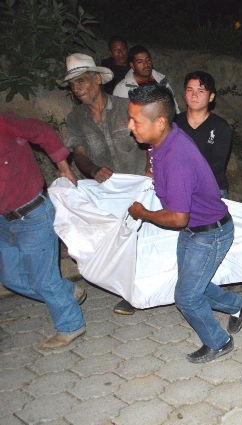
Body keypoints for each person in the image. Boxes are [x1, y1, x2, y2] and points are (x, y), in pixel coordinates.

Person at [126, 84, 242, 363]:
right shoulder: (163, 140)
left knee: (186, 297)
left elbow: (177, 217)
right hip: (195, 230)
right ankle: (237, 304)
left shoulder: (177, 159)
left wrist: (143, 213)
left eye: (136, 121)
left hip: (210, 233)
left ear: (160, 122)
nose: (129, 125)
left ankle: (219, 342)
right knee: (195, 285)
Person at [60, 53, 148, 315]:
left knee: (145, 239)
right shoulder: (75, 118)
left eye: (82, 80)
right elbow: (79, 154)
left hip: (139, 184)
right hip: (108, 193)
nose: (78, 89)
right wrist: (94, 170)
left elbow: (153, 139)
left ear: (97, 78)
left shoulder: (127, 105)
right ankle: (130, 291)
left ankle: (142, 290)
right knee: (120, 243)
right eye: (73, 84)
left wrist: (150, 172)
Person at [1, 113, 87, 349]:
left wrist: (65, 168)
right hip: (3, 221)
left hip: (33, 214)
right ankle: (67, 291)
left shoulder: (4, 123)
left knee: (43, 280)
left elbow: (43, 131)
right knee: (10, 277)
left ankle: (71, 325)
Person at [175, 71, 232, 198]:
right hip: (178, 187)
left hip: (212, 190)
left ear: (211, 97)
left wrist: (187, 175)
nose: (194, 95)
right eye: (190, 90)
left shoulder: (220, 127)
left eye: (200, 91)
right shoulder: (174, 123)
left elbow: (218, 164)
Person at [113, 45, 179, 113]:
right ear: (132, 65)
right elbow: (119, 116)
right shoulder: (123, 88)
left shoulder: (161, 80)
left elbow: (173, 106)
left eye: (148, 60)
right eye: (140, 62)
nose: (146, 65)